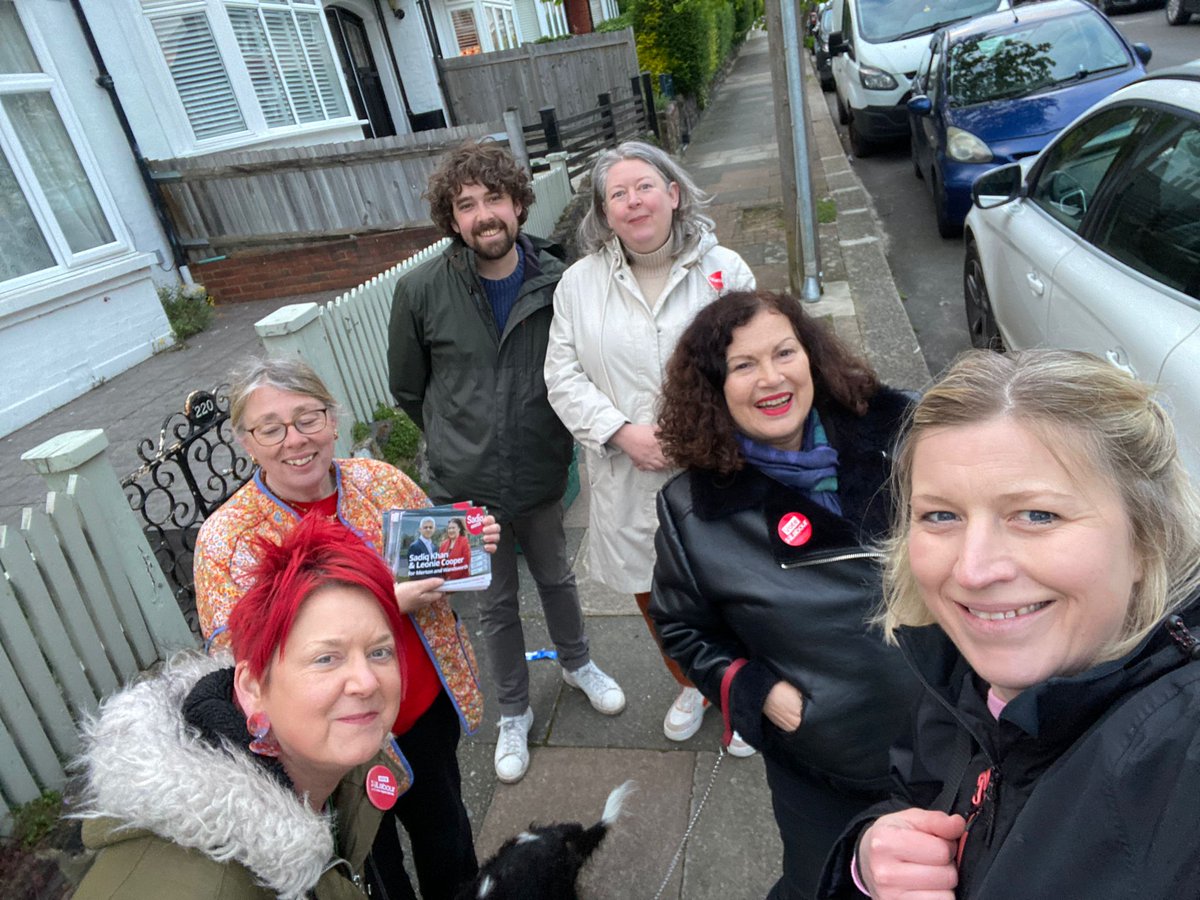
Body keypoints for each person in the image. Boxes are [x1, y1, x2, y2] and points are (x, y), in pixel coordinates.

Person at [816, 350, 1200, 900]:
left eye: (1038, 515)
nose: (972, 571)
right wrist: (868, 860)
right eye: (941, 516)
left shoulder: (1180, 752)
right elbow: (915, 794)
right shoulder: (962, 673)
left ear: (1147, 539)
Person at [649, 290, 921, 900]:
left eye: (784, 353)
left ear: (811, 357)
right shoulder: (694, 513)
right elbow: (682, 626)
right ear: (714, 388)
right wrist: (755, 690)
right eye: (744, 366)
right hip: (823, 765)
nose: (771, 379)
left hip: (950, 736)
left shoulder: (903, 436)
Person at [193, 357, 493, 900]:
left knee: (448, 845)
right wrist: (389, 601)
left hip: (419, 710)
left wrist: (466, 549)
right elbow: (241, 657)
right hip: (329, 749)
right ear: (246, 441)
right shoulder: (227, 539)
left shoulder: (380, 482)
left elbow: (435, 562)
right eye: (271, 428)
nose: (295, 440)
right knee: (372, 875)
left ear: (333, 420)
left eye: (308, 418)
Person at [388, 139, 625, 786]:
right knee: (493, 605)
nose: (483, 214)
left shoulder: (562, 280)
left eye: (494, 198)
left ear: (519, 204)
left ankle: (578, 664)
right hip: (466, 487)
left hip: (544, 468)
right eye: (466, 205)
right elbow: (409, 389)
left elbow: (582, 366)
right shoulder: (418, 291)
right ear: (452, 219)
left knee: (557, 577)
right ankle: (514, 712)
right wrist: (458, 439)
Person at [73, 515, 409, 899]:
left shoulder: (334, 772)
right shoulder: (189, 886)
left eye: (379, 651)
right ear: (252, 689)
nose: (367, 682)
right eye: (326, 659)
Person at [545, 140, 756, 746]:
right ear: (604, 213)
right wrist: (620, 432)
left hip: (715, 466)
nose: (633, 202)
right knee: (655, 598)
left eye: (644, 187)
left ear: (673, 193)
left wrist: (702, 431)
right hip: (628, 473)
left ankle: (742, 694)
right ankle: (692, 682)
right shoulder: (578, 286)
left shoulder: (726, 271)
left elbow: (753, 365)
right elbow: (561, 375)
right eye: (618, 194)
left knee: (730, 590)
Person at [440, 517, 472, 581]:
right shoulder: (444, 544)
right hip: (444, 581)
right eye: (449, 528)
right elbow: (440, 563)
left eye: (453, 528)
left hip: (460, 581)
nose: (451, 530)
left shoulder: (464, 541)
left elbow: (465, 564)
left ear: (459, 529)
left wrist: (451, 578)